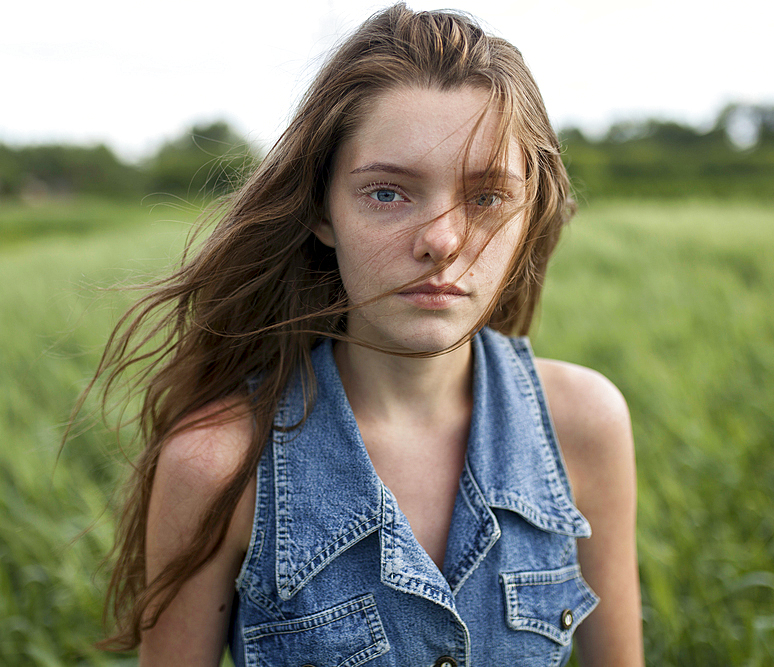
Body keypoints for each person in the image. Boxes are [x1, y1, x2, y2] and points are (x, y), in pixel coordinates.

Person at [88, 4, 643, 664]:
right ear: (323, 209)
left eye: (486, 197)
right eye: (387, 193)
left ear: (531, 212)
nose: (442, 239)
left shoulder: (582, 425)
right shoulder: (217, 464)